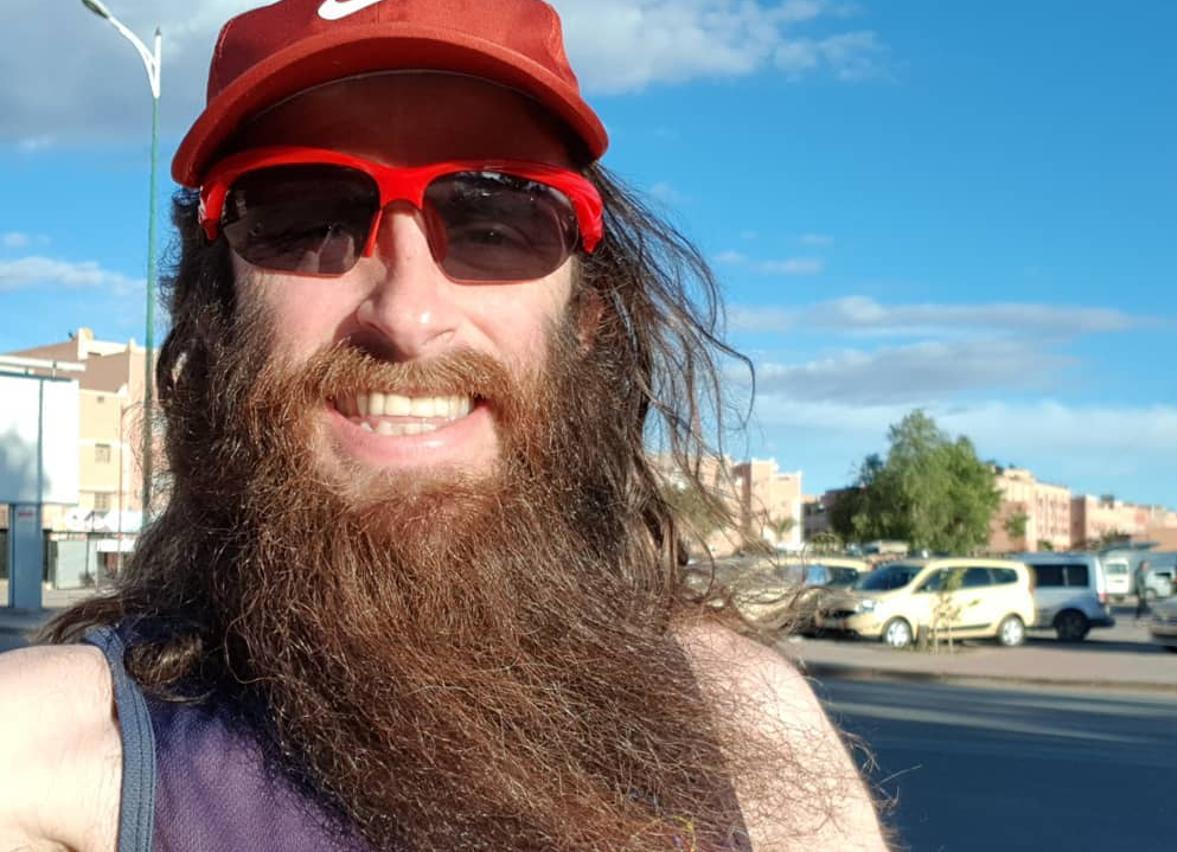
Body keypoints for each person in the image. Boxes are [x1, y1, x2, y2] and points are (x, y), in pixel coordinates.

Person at [0, 2, 889, 850]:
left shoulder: (746, 724)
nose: (408, 316)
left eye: (496, 221)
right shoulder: (48, 761)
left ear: (584, 319)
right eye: (304, 218)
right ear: (218, 310)